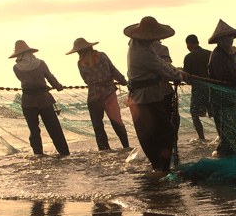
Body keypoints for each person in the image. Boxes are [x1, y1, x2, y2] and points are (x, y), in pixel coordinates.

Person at [124, 16, 187, 173]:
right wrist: (179, 75)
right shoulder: (142, 53)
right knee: (165, 132)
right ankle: (163, 169)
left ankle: (158, 167)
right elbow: (165, 71)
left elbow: (161, 64)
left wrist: (175, 71)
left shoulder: (136, 45)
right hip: (146, 98)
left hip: (139, 99)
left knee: (149, 135)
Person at [67, 37, 130, 151]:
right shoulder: (102, 56)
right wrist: (122, 81)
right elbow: (113, 70)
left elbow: (85, 80)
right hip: (109, 94)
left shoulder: (81, 63)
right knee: (117, 122)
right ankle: (126, 147)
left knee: (98, 126)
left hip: (94, 97)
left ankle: (104, 150)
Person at [9, 40, 70, 156]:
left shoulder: (16, 68)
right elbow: (50, 77)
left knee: (34, 130)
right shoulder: (40, 63)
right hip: (44, 99)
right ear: (30, 53)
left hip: (28, 102)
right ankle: (64, 152)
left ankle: (38, 154)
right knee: (53, 127)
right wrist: (58, 87)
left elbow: (22, 80)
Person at [207, 20, 236, 156]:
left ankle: (226, 155)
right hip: (222, 100)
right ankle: (225, 157)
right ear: (220, 39)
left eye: (232, 36)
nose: (231, 40)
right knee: (227, 134)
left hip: (229, 100)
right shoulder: (218, 54)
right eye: (228, 36)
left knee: (230, 135)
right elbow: (225, 75)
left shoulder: (225, 54)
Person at [182, 34, 212, 141]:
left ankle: (202, 138)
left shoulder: (189, 57)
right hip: (213, 90)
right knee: (216, 114)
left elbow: (187, 76)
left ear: (188, 44)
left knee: (195, 115)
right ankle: (222, 136)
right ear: (198, 42)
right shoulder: (210, 54)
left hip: (199, 90)